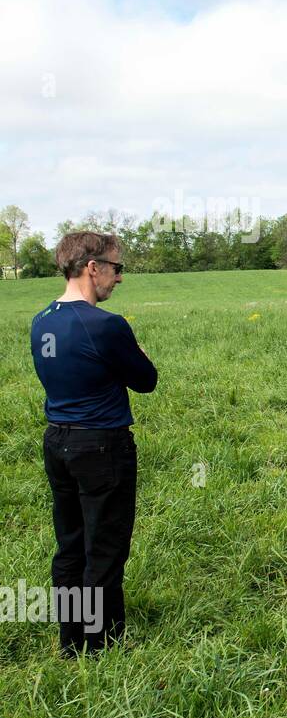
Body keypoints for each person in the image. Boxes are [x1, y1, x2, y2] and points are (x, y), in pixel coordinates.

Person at [30, 231, 157, 657]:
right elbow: (146, 380)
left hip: (58, 443)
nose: (119, 278)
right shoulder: (106, 325)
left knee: (69, 545)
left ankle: (71, 641)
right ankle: (101, 643)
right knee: (103, 547)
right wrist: (135, 348)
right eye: (117, 268)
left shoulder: (41, 320)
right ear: (92, 267)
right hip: (103, 447)